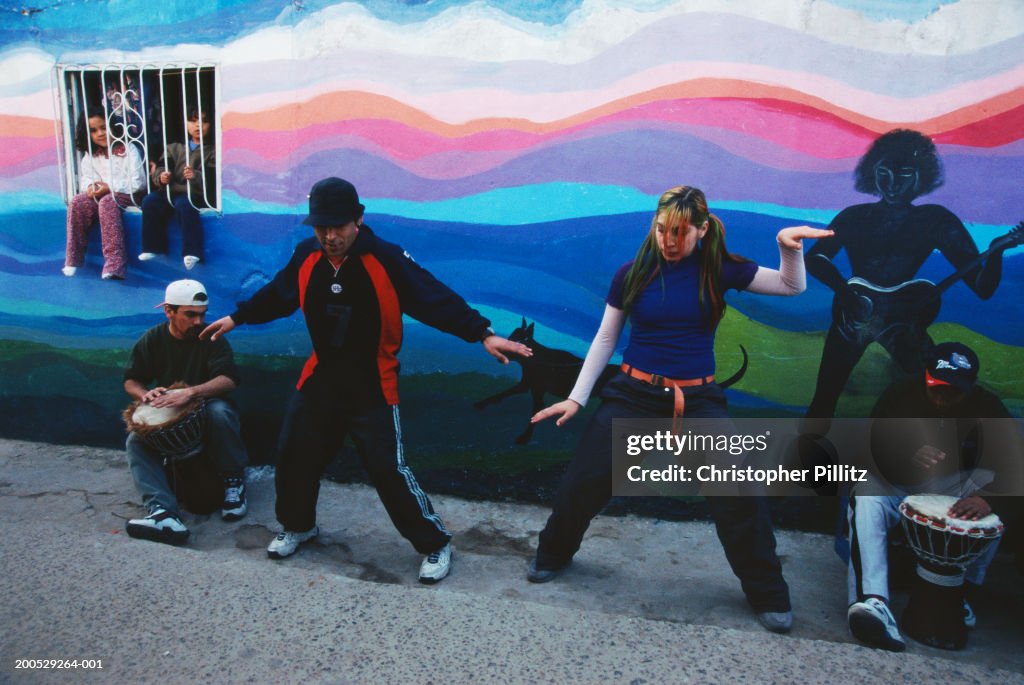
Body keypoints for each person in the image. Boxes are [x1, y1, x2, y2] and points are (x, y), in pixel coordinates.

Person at [528, 185, 832, 633]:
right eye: (660, 229)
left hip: (698, 401)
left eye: (679, 232)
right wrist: (577, 396)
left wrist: (789, 249)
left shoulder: (719, 269)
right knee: (584, 483)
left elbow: (791, 286)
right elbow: (606, 339)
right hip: (633, 394)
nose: (668, 241)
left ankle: (768, 593)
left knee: (740, 497)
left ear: (701, 230)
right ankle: (551, 554)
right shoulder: (632, 274)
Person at [201, 177, 531, 583]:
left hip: (372, 383)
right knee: (294, 455)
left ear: (359, 219)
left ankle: (434, 543)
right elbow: (280, 292)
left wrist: (482, 333)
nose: (329, 235)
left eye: (338, 226)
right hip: (320, 377)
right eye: (321, 227)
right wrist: (239, 316)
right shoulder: (308, 254)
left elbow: (433, 297)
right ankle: (299, 525)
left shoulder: (386, 259)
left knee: (387, 470)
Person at [804, 129, 1015, 420]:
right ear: (872, 173)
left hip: (904, 325)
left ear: (921, 176)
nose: (892, 185)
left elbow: (982, 288)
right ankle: (807, 461)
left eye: (904, 175)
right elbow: (815, 257)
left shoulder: (935, 220)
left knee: (933, 397)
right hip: (854, 317)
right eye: (884, 173)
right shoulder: (854, 216)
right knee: (824, 400)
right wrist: (845, 292)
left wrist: (995, 251)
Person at [846, 342, 1016, 651]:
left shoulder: (987, 408)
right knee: (865, 491)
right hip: (900, 483)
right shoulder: (900, 395)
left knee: (995, 501)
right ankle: (873, 601)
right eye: (936, 389)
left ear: (970, 387)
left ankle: (963, 593)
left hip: (954, 488)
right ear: (926, 376)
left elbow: (1014, 466)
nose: (941, 399)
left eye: (952, 392)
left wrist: (990, 499)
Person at [123, 279, 249, 545]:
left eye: (202, 315)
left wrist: (191, 392)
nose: (197, 322)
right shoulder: (153, 339)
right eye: (190, 315)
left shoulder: (211, 336)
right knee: (135, 439)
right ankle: (161, 512)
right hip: (171, 412)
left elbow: (229, 380)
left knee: (220, 412)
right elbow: (131, 380)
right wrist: (144, 394)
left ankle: (233, 481)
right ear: (169, 310)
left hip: (206, 405)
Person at [63, 108, 146, 280]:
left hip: (129, 193)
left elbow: (139, 182)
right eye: (93, 130)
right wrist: (92, 187)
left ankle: (115, 265)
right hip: (103, 195)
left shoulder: (128, 148)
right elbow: (86, 180)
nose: (100, 133)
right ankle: (73, 258)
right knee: (78, 202)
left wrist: (109, 187)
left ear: (113, 126)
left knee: (108, 201)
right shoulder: (90, 155)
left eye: (103, 127)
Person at [139, 108, 216, 271]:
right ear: (186, 124)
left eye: (204, 121)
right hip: (170, 191)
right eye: (193, 121)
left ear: (211, 124)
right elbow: (161, 168)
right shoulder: (173, 148)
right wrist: (161, 177)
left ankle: (192, 252)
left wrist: (196, 176)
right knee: (149, 201)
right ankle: (153, 247)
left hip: (193, 192)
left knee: (185, 205)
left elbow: (213, 179)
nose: (198, 125)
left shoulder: (213, 151)